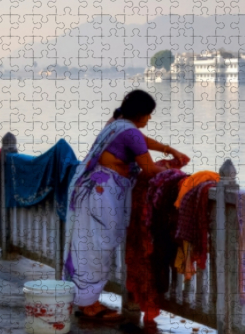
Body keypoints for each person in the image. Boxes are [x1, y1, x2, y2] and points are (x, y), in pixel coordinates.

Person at [63, 89, 189, 321]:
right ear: (140, 113)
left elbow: (139, 139)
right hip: (100, 196)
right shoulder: (128, 131)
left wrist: (168, 149)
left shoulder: (116, 123)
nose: (149, 119)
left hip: (91, 191)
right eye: (148, 114)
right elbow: (149, 169)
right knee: (97, 247)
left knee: (86, 245)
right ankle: (88, 304)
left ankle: (82, 298)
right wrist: (173, 170)